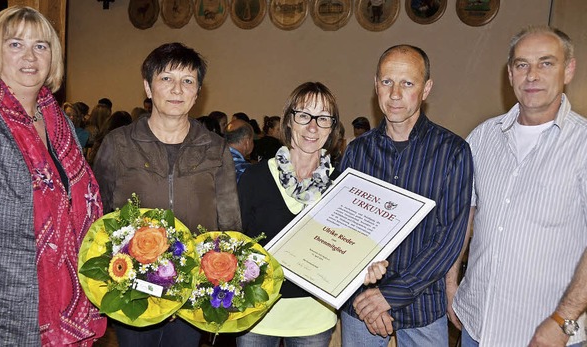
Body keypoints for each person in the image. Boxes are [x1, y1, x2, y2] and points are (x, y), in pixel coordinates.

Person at [0, 6, 106, 345]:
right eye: (16, 44)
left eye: (41, 46)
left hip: (63, 308)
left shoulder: (58, 123)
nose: (30, 56)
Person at [93, 42, 242, 347]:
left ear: (197, 92)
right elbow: (98, 217)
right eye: (166, 79)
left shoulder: (215, 148)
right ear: (148, 87)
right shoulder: (118, 144)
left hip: (192, 291)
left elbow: (229, 223)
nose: (177, 89)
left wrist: (222, 280)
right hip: (132, 290)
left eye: (187, 81)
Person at [448, 26, 587, 347]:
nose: (532, 75)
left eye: (546, 63)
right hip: (476, 326)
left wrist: (562, 321)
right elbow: (463, 217)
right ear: (510, 73)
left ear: (569, 70)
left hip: (546, 334)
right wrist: (450, 284)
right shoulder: (483, 137)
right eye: (522, 64)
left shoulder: (581, 144)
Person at [339, 44, 473, 346]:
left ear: (426, 89)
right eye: (387, 82)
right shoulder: (357, 152)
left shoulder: (453, 152)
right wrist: (369, 299)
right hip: (361, 307)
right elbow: (342, 232)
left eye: (407, 83)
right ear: (376, 86)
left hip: (422, 307)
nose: (395, 93)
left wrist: (389, 296)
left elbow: (449, 239)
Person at [236, 82, 342, 346]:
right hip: (256, 312)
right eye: (304, 115)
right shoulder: (255, 177)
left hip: (314, 316)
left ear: (332, 128)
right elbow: (236, 241)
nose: (313, 126)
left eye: (323, 118)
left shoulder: (342, 187)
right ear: (289, 121)